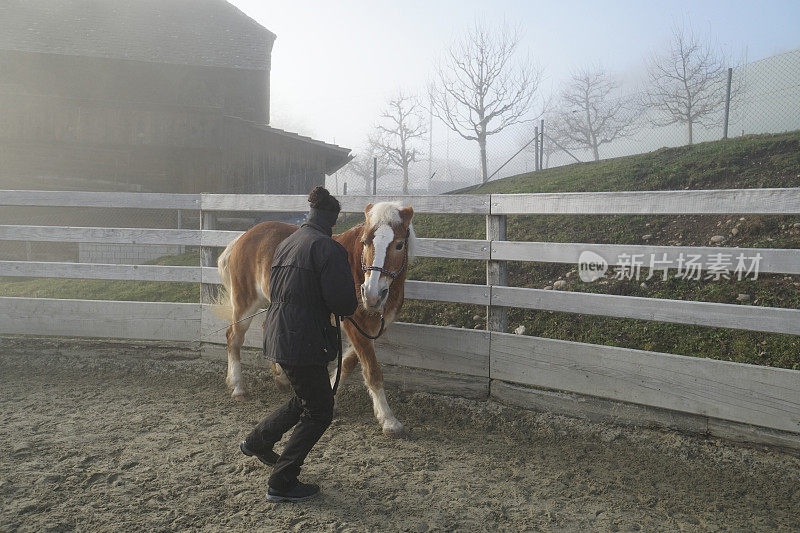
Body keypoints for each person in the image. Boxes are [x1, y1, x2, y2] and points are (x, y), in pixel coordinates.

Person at [239, 186, 358, 503]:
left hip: (278, 333)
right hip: (303, 339)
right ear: (333, 221)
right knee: (320, 411)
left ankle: (257, 442)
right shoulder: (328, 249)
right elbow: (344, 302)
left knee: (306, 397)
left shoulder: (288, 243)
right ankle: (282, 481)